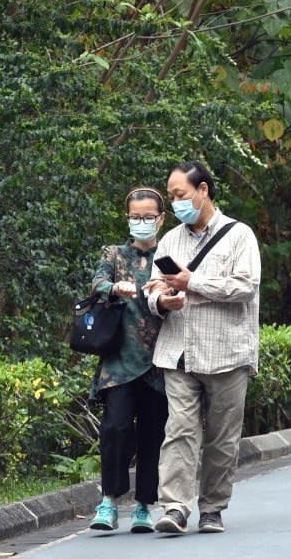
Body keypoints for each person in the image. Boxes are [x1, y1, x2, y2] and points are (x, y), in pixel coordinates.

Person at [143, 161, 261, 534]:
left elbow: (244, 287)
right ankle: (175, 507)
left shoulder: (240, 236)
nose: (176, 203)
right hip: (179, 351)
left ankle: (212, 507)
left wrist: (192, 282)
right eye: (173, 196)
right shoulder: (170, 240)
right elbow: (152, 291)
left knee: (223, 438)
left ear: (203, 190)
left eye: (181, 195)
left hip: (228, 352)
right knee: (179, 430)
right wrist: (163, 301)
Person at [87, 187, 169, 533]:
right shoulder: (114, 254)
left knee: (153, 433)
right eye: (135, 217)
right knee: (115, 429)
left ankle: (144, 506)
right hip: (120, 360)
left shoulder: (170, 254)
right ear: (127, 218)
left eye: (148, 217)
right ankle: (108, 501)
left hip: (160, 361)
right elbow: (97, 282)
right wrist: (113, 288)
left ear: (161, 219)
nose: (141, 222)